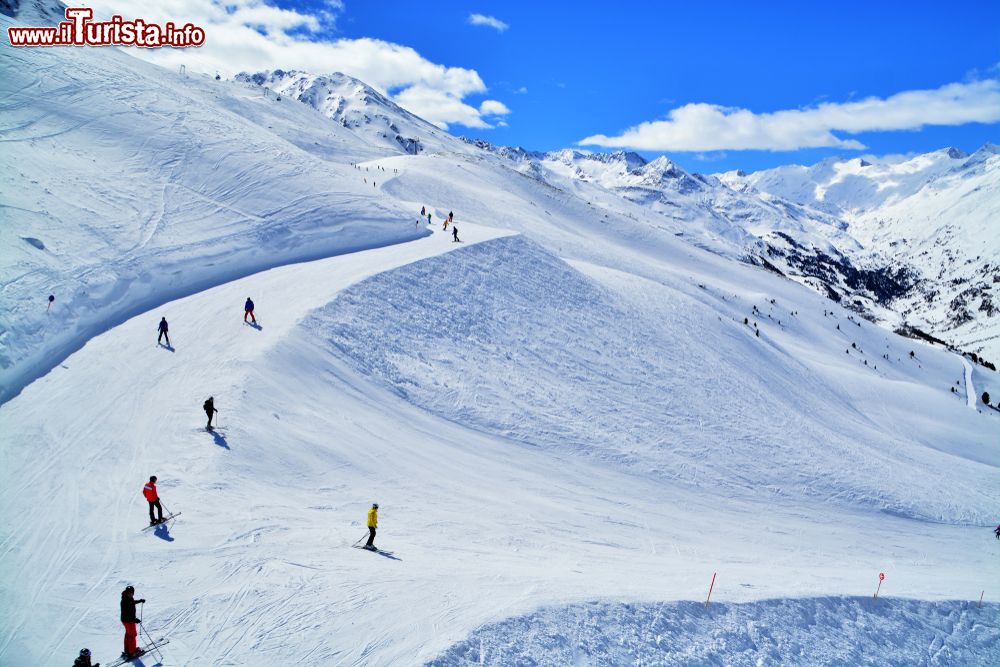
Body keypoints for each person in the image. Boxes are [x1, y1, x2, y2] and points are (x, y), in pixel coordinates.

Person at [120, 586, 145, 660]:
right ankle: (132, 652)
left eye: (132, 593)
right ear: (127, 593)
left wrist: (140, 601)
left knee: (128, 634)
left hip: (127, 620)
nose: (131, 594)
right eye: (129, 593)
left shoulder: (127, 598)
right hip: (128, 621)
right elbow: (126, 614)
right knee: (132, 635)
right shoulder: (125, 601)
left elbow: (132, 602)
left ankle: (127, 650)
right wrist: (134, 620)